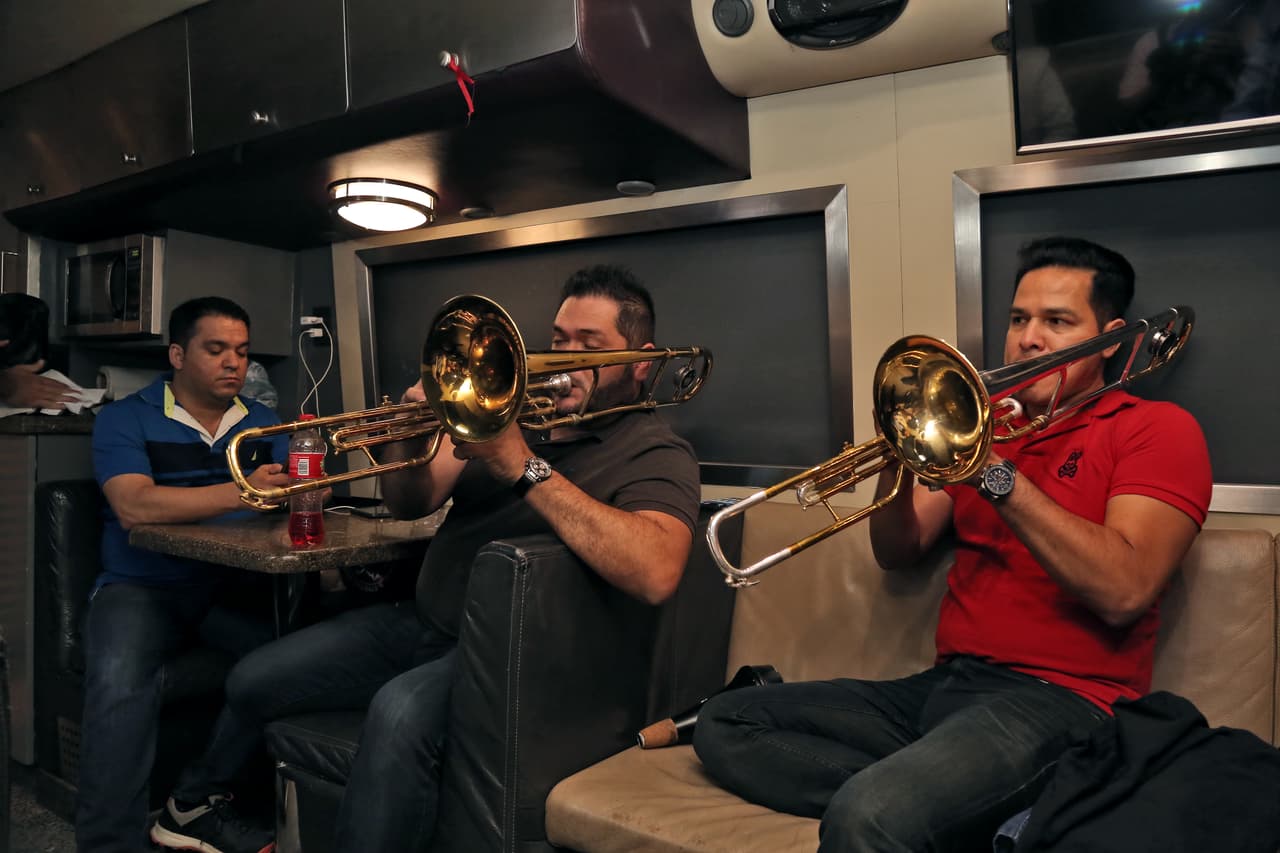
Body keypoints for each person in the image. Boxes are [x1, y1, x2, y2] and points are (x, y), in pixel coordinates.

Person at [150, 264, 702, 853]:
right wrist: (412, 437)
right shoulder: (516, 413)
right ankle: (196, 804)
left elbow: (655, 571)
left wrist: (521, 465)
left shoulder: (656, 451)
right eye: (559, 339)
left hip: (507, 655)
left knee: (397, 712)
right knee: (255, 676)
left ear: (643, 361)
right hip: (422, 623)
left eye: (589, 346)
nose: (563, 357)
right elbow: (414, 499)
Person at [692, 237, 1213, 852]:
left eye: (1057, 321)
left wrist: (993, 471)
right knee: (725, 721)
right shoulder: (993, 427)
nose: (1029, 339)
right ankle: (953, 807)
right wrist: (901, 453)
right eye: (1019, 319)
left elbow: (1125, 589)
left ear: (1111, 335)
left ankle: (917, 802)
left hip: (1063, 704)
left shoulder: (1155, 430)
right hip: (946, 688)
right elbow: (898, 548)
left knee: (869, 815)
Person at [78, 297, 290, 853]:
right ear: (177, 354)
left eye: (242, 352)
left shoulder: (267, 422)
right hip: (141, 585)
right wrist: (243, 490)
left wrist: (303, 493)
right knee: (119, 680)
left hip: (230, 586)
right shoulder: (125, 417)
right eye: (216, 349)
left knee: (290, 664)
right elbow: (134, 506)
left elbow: (290, 498)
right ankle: (107, 844)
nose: (233, 363)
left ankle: (193, 802)